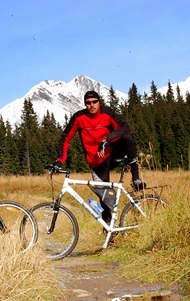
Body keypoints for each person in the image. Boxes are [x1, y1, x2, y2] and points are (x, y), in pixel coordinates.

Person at [54, 90, 145, 224]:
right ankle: (109, 231)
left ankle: (136, 178)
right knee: (104, 197)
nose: (91, 105)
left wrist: (107, 139)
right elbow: (65, 139)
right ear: (85, 104)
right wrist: (60, 160)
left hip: (112, 153)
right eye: (88, 103)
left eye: (94, 102)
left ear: (99, 102)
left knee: (127, 138)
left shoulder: (107, 113)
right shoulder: (79, 118)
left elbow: (125, 127)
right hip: (96, 162)